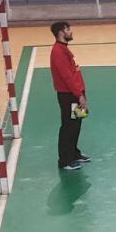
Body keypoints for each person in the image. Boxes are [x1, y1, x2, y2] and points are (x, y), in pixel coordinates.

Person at [49, 21, 90, 172]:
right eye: (68, 29)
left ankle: (74, 153)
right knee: (69, 126)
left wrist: (81, 92)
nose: (71, 32)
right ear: (61, 32)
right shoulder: (58, 52)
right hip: (70, 96)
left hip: (77, 93)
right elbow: (67, 77)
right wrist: (80, 96)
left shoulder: (64, 49)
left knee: (77, 123)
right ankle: (65, 160)